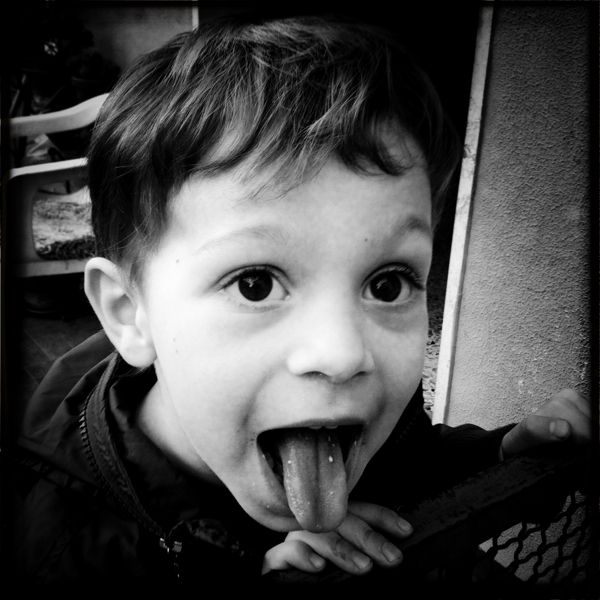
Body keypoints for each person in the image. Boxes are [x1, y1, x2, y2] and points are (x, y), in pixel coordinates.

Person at [10, 13, 591, 596]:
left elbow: (411, 463)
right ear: (129, 314)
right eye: (255, 284)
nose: (343, 353)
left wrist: (500, 456)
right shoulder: (64, 555)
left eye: (387, 285)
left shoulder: (349, 408)